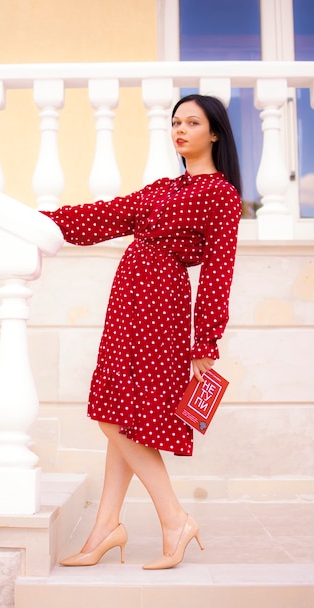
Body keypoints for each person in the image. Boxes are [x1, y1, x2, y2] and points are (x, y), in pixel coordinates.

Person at [41, 94, 242, 570]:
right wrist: (42, 220)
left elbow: (219, 272)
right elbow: (105, 215)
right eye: (175, 122)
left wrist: (205, 342)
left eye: (192, 122)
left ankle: (174, 518)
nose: (180, 129)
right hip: (127, 301)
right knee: (120, 413)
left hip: (162, 307)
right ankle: (106, 527)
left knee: (117, 415)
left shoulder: (221, 195)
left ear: (213, 132)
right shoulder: (159, 189)